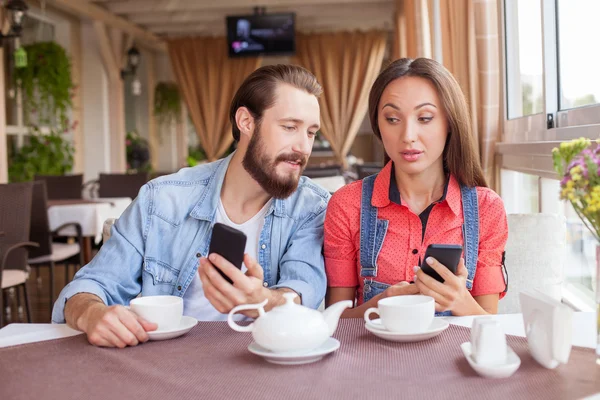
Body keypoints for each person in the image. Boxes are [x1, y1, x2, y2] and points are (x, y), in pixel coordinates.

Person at [52, 64, 329, 347]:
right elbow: (90, 286)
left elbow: (303, 291)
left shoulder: (311, 208)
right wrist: (92, 313)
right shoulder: (161, 200)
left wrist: (263, 301)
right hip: (160, 366)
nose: (303, 148)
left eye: (310, 132)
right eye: (290, 127)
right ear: (246, 122)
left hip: (261, 367)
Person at [324, 58, 508, 317]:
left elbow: (490, 326)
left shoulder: (486, 208)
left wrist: (459, 301)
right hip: (376, 356)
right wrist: (379, 304)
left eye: (424, 118)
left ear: (449, 122)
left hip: (453, 356)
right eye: (392, 118)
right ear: (378, 125)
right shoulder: (347, 204)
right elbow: (336, 320)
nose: (408, 135)